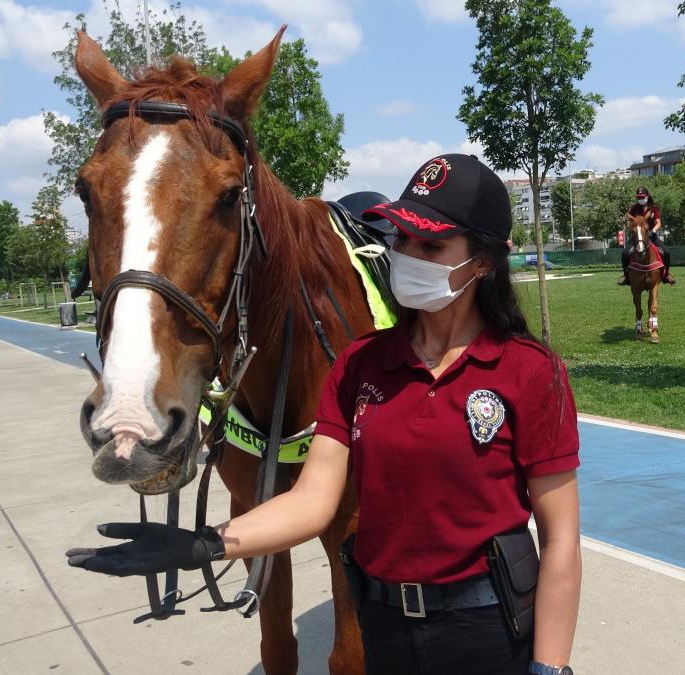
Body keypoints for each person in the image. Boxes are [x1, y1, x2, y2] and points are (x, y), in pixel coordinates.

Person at [66, 154, 582, 675]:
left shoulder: (532, 373)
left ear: (484, 261)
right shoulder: (360, 364)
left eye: (431, 244)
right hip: (384, 630)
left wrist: (550, 667)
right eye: (401, 238)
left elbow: (560, 539)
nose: (406, 254)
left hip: (487, 633)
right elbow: (312, 502)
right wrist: (203, 544)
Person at [617, 186, 675, 286]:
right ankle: (626, 276)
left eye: (642, 197)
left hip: (651, 236)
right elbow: (629, 221)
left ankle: (666, 275)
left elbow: (658, 223)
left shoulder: (654, 208)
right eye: (638, 197)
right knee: (625, 253)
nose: (640, 199)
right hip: (637, 237)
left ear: (647, 196)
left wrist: (653, 230)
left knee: (667, 252)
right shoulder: (634, 208)